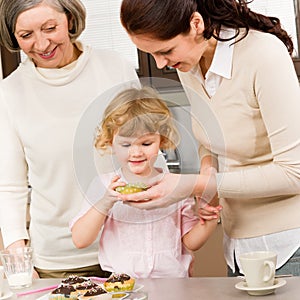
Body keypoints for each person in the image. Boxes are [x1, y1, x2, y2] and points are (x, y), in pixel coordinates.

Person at [119, 0, 300, 276]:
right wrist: (206, 185)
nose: (161, 63)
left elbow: (294, 172)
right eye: (151, 55)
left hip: (288, 245)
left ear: (196, 24)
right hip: (238, 247)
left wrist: (193, 184)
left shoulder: (263, 56)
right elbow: (210, 139)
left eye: (165, 50)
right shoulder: (190, 65)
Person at [0, 0, 139, 278]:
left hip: (130, 247)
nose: (41, 44)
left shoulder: (115, 69)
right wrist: (19, 258)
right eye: (26, 35)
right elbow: (10, 186)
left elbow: (147, 152)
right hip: (58, 260)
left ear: (70, 21)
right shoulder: (11, 92)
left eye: (50, 28)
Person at [70, 86, 220, 278]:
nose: (136, 152)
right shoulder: (104, 184)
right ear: (110, 142)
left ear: (162, 140)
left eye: (146, 143)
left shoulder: (175, 185)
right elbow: (80, 239)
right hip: (123, 287)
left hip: (173, 286)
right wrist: (105, 202)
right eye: (125, 144)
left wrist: (208, 221)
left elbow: (190, 243)